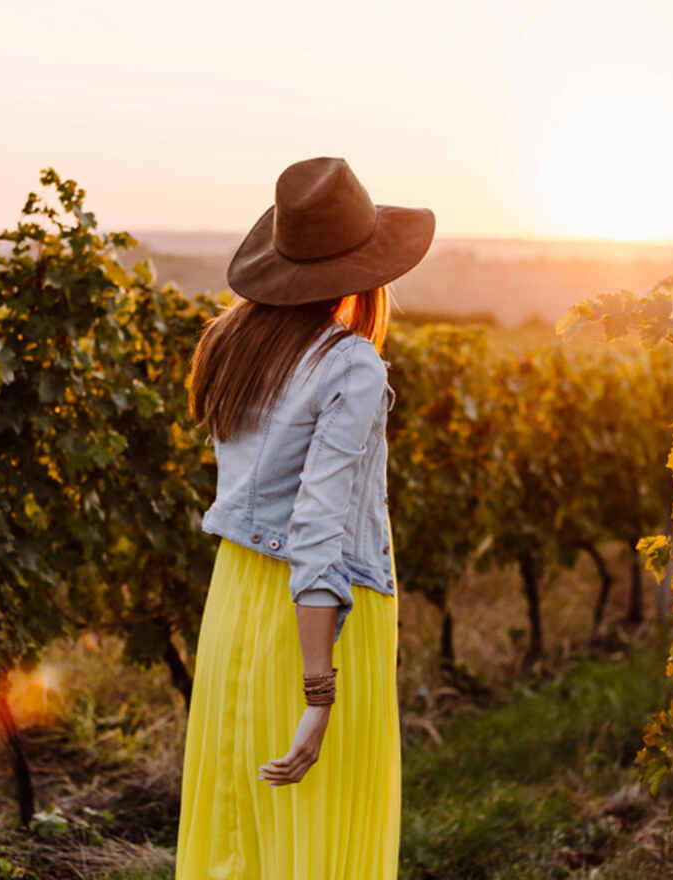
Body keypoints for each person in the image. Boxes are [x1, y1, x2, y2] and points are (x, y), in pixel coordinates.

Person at [175, 156, 435, 879]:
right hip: (319, 617)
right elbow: (317, 528)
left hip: (235, 601)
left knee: (239, 826)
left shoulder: (231, 346)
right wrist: (318, 691)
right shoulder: (350, 364)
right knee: (312, 838)